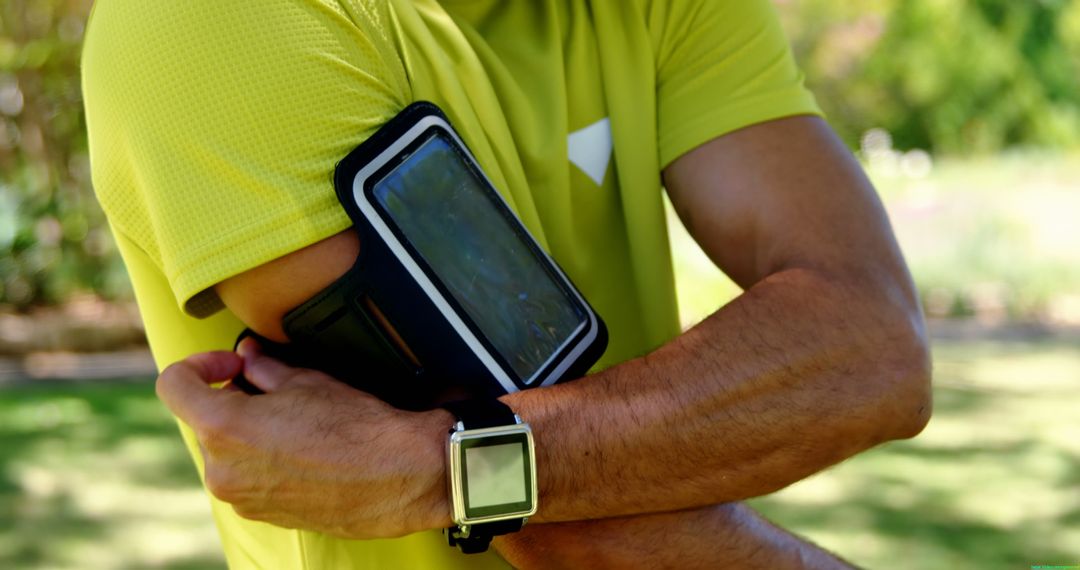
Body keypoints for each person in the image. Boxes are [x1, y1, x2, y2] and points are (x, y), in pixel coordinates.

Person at [82, 0, 931, 567]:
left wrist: (434, 468)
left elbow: (875, 351)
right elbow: (574, 536)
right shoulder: (216, 25)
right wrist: (472, 463)